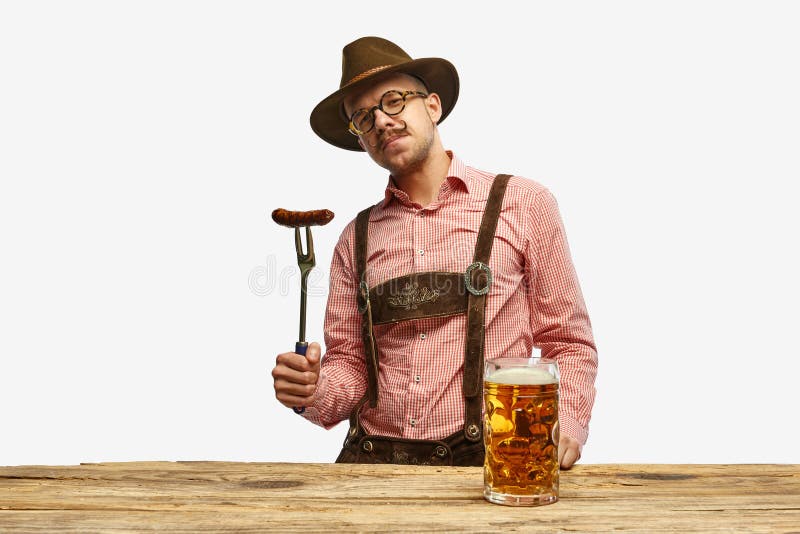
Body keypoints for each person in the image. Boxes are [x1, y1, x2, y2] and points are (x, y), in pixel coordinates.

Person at [272, 36, 597, 469]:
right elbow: (350, 366)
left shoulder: (524, 204)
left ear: (432, 106)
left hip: (489, 463)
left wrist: (567, 424)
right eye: (363, 117)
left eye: (393, 101)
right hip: (370, 466)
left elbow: (568, 343)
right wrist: (314, 390)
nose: (382, 122)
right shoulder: (356, 236)